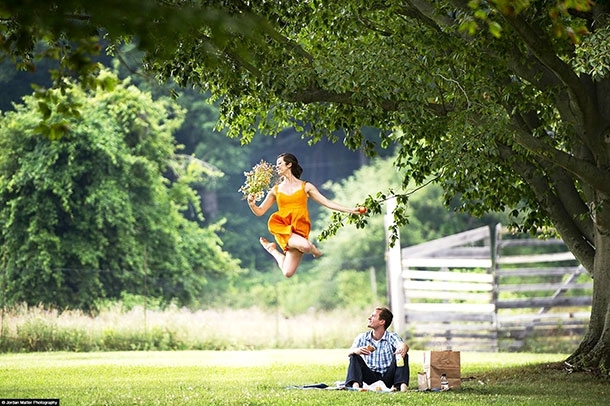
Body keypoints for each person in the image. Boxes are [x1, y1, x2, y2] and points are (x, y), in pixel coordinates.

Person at [247, 152, 363, 278]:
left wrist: (350, 210)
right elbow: (260, 211)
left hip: (300, 228)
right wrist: (252, 204)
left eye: (279, 163)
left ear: (289, 164)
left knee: (287, 273)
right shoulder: (275, 190)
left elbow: (327, 202)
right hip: (284, 228)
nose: (277, 167)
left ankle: (271, 249)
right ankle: (315, 251)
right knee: (306, 246)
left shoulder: (306, 186)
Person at [345, 307, 410, 392]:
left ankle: (402, 387)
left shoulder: (391, 337)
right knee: (354, 356)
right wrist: (356, 350)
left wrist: (402, 349)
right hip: (370, 377)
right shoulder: (362, 337)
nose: (369, 318)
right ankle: (356, 387)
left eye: (373, 316)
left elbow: (402, 345)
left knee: (403, 355)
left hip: (388, 378)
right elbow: (349, 352)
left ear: (382, 322)